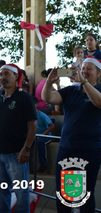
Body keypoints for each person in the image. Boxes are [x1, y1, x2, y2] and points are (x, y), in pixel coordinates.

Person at [42, 56, 101, 212]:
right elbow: (47, 97)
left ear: (98, 73)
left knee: (85, 195)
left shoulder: (99, 91)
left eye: (90, 69)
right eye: (83, 68)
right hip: (68, 148)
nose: (85, 71)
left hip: (89, 150)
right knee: (65, 194)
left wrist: (84, 82)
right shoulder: (70, 91)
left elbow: (98, 102)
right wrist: (49, 81)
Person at [0, 63, 37, 213]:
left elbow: (33, 125)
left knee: (21, 193)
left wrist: (26, 148)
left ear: (16, 76)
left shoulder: (24, 98)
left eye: (7, 74)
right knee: (2, 193)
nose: (3, 77)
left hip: (16, 154)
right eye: (1, 74)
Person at [31, 96, 55, 174]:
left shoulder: (41, 115)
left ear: (36, 104)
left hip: (46, 136)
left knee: (40, 142)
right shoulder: (28, 115)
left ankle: (43, 164)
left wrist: (41, 135)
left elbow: (52, 126)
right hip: (34, 136)